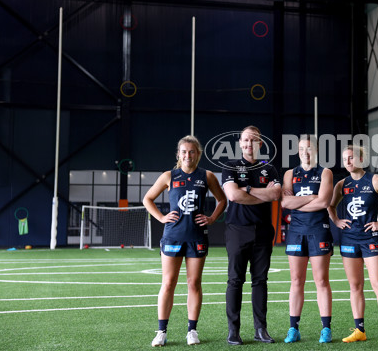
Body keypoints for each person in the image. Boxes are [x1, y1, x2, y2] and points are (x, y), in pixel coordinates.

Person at [143, 135, 227, 347]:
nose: (188, 155)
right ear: (178, 154)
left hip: (197, 236)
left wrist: (211, 218)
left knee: (194, 284)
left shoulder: (207, 176)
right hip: (173, 235)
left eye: (192, 151)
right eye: (184, 152)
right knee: (168, 283)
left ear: (197, 154)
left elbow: (222, 200)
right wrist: (162, 217)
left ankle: (192, 330)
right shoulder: (169, 176)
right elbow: (147, 199)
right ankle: (161, 331)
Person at [327, 145, 378, 347]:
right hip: (349, 240)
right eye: (345, 158)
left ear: (362, 159)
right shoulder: (341, 185)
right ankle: (359, 330)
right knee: (355, 286)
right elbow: (330, 205)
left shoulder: (375, 180)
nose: (348, 161)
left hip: (371, 239)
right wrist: (336, 221)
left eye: (352, 157)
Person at [221, 125, 281, 345]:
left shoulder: (269, 169)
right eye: (245, 140)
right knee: (235, 281)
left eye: (253, 141)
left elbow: (275, 195)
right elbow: (233, 196)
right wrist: (260, 194)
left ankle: (260, 329)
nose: (249, 144)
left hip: (264, 230)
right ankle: (233, 331)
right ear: (240, 143)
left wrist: (247, 190)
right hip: (237, 229)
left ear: (260, 144)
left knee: (260, 280)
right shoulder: (230, 166)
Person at [280, 135, 334, 343]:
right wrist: (311, 198)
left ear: (317, 150)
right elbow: (285, 202)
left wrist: (299, 203)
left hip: (319, 230)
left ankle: (326, 328)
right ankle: (294, 328)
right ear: (298, 150)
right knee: (296, 281)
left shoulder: (325, 172)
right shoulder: (290, 174)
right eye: (302, 148)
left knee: (321, 280)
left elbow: (323, 202)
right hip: (296, 232)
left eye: (309, 148)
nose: (305, 152)